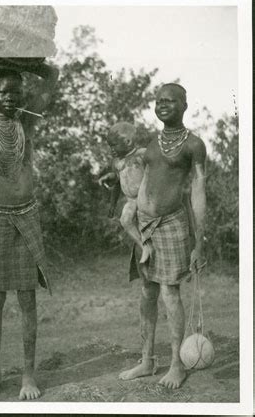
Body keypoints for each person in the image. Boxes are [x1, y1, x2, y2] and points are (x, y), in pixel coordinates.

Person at [0, 62, 59, 400]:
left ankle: (28, 374)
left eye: (15, 91)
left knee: (27, 299)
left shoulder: (28, 122)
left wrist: (29, 64)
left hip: (27, 214)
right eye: (3, 91)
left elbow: (52, 77)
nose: (9, 97)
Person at [119, 83, 207, 389]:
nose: (162, 105)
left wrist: (199, 242)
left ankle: (176, 365)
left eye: (169, 101)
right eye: (158, 101)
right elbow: (138, 183)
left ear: (184, 105)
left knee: (170, 294)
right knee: (147, 293)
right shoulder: (152, 144)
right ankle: (146, 361)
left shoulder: (194, 144)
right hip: (145, 226)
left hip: (172, 226)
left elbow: (197, 192)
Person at [99, 122, 152, 270]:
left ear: (128, 142)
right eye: (110, 146)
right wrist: (112, 204)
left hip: (146, 199)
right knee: (125, 220)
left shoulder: (141, 154)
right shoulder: (116, 162)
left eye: (114, 145)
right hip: (131, 201)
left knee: (148, 223)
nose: (112, 150)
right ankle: (145, 247)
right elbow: (117, 182)